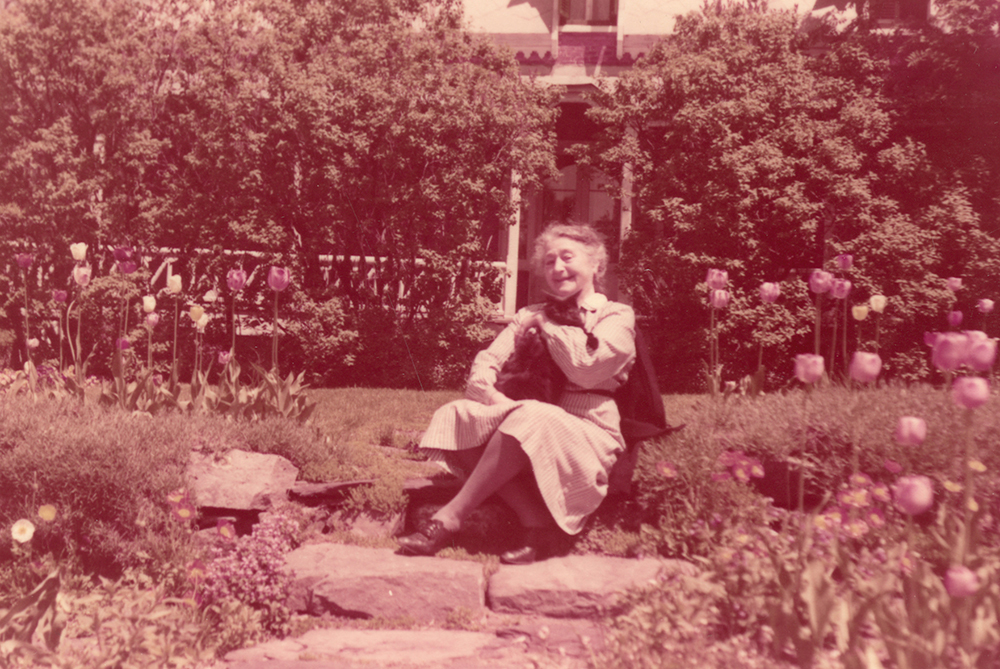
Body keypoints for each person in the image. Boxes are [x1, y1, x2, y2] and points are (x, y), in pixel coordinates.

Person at [397, 223, 636, 564]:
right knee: (456, 414)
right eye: (549, 261)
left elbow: (586, 366)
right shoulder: (528, 315)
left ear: (596, 264)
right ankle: (535, 523)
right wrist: (502, 404)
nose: (557, 268)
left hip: (588, 431)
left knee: (531, 417)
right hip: (528, 421)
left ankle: (448, 519)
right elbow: (483, 369)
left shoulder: (616, 315)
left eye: (567, 258)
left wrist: (547, 326)